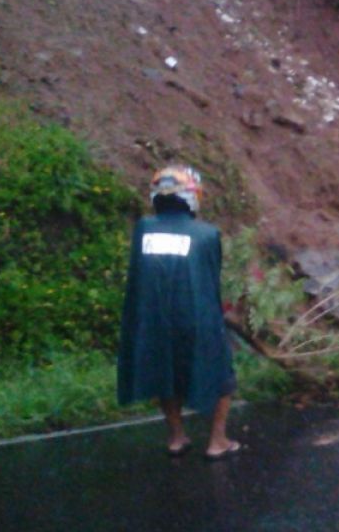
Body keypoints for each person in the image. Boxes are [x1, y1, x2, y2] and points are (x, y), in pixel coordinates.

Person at [117, 165, 242, 460]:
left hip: (153, 320)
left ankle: (176, 437)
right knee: (223, 375)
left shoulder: (143, 229)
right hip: (196, 318)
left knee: (166, 372)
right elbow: (210, 279)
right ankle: (217, 441)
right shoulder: (207, 234)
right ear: (192, 195)